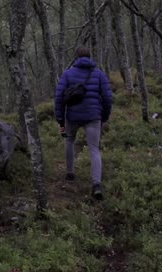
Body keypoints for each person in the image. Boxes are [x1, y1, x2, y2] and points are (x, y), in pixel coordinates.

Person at [54, 47, 113, 200]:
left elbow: (59, 97)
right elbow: (107, 97)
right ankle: (96, 185)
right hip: (93, 116)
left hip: (72, 116)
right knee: (94, 149)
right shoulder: (99, 74)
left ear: (76, 57)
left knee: (69, 141)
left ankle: (70, 174)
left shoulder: (67, 74)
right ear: (89, 57)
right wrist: (104, 116)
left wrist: (60, 119)